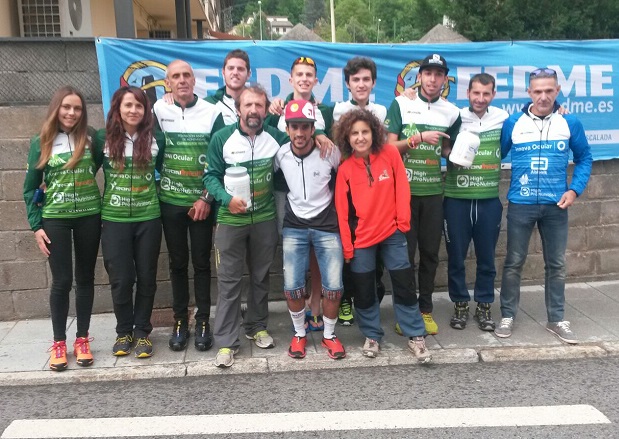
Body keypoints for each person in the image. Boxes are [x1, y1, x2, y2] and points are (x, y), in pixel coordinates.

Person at [496, 67, 592, 343]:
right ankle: (507, 315)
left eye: (549, 91)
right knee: (514, 262)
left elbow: (585, 158)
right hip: (521, 204)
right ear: (529, 92)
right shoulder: (513, 122)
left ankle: (556, 319)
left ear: (558, 91)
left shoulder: (569, 122)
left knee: (557, 264)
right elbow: (495, 153)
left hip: (556, 205)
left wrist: (574, 190)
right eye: (538, 91)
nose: (543, 96)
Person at [334, 109, 431, 363]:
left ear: (374, 133)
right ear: (347, 138)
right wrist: (347, 247)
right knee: (364, 289)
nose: (360, 137)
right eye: (354, 133)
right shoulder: (345, 169)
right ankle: (372, 335)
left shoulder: (389, 153)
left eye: (365, 131)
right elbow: (342, 212)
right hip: (361, 239)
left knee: (404, 284)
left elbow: (402, 188)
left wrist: (402, 223)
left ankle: (415, 335)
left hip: (392, 232)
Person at [204, 85, 288, 368]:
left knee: (260, 277)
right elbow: (210, 176)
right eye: (248, 105)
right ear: (238, 109)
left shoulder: (276, 137)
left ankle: (256, 326)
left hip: (264, 219)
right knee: (229, 283)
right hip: (231, 221)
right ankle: (226, 342)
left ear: (266, 110)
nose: (253, 110)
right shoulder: (222, 138)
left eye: (259, 105)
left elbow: (301, 145)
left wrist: (322, 139)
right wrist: (226, 200)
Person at [23, 86, 102, 371]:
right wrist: (36, 226)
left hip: (89, 215)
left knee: (85, 278)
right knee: (62, 281)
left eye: (77, 108)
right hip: (55, 218)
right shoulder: (41, 141)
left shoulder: (92, 138)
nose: (71, 113)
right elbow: (30, 188)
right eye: (66, 107)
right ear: (57, 109)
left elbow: (100, 164)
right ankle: (59, 342)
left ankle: (82, 339)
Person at [386, 53, 461, 335]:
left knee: (430, 254)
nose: (432, 79)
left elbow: (447, 150)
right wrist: (418, 138)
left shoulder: (451, 112)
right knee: (403, 257)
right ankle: (405, 313)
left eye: (438, 74)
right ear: (419, 77)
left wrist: (458, 155)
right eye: (427, 73)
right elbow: (389, 148)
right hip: (403, 195)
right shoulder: (401, 103)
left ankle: (425, 310)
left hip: (432, 194)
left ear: (444, 79)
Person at [154, 60, 225, 352]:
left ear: (194, 80)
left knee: (202, 263)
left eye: (186, 75)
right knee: (177, 263)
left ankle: (204, 320)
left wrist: (207, 198)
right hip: (170, 201)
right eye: (176, 76)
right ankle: (180, 321)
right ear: (168, 83)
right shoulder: (158, 109)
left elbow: (220, 160)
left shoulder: (212, 112)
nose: (182, 80)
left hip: (201, 204)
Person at [268, 56, 335, 332]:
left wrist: (321, 134)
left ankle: (315, 302)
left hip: (318, 192)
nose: (304, 79)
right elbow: (272, 143)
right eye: (300, 74)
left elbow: (331, 150)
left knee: (318, 249)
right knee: (294, 248)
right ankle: (298, 302)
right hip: (285, 190)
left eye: (309, 75)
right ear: (291, 79)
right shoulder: (278, 108)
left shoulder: (325, 110)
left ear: (316, 80)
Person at [275, 99, 345, 360]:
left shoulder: (329, 151)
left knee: (334, 286)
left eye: (305, 126)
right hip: (294, 226)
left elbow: (346, 176)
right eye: (294, 127)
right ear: (287, 129)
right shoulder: (280, 154)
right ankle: (299, 334)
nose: (300, 132)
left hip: (327, 225)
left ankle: (329, 335)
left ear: (314, 128)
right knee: (292, 286)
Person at [97, 86, 164, 358]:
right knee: (121, 279)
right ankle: (124, 331)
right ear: (118, 108)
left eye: (139, 106)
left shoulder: (157, 138)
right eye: (128, 105)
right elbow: (86, 170)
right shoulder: (102, 138)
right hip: (114, 219)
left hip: (148, 217)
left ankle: (142, 332)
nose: (133, 110)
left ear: (146, 111)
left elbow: (166, 169)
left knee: (147, 277)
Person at [444, 73, 508, 331]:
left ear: (493, 95)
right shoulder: (456, 117)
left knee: (487, 258)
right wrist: (452, 154)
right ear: (468, 93)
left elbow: (529, 117)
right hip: (456, 199)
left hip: (488, 199)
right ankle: (460, 304)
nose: (480, 98)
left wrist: (559, 109)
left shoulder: (503, 118)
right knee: (455, 257)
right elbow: (442, 146)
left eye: (486, 93)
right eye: (476, 93)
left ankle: (484, 305)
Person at [332, 56, 388, 327]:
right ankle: (346, 298)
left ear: (374, 82)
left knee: (375, 249)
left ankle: (373, 296)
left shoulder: (382, 111)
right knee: (349, 246)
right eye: (356, 80)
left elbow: (384, 150)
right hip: (347, 188)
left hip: (375, 191)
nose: (361, 84)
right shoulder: (338, 110)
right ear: (347, 83)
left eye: (366, 79)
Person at [206, 49, 251, 125]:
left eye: (240, 69)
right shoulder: (208, 104)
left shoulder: (260, 104)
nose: (235, 72)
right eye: (231, 68)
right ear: (223, 72)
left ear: (248, 74)